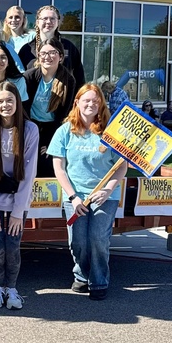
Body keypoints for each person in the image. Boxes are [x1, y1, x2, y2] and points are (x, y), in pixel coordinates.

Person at [49, 84, 128, 301]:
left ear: (101, 103)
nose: (91, 104)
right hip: (75, 196)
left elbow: (122, 165)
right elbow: (59, 168)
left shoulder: (110, 130)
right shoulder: (65, 131)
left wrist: (108, 189)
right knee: (78, 241)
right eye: (87, 100)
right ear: (77, 102)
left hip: (104, 195)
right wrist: (73, 197)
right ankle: (82, 275)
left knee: (98, 238)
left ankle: (99, 280)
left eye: (96, 100)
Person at [0, 82, 39, 310]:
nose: (5, 105)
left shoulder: (30, 129)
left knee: (13, 244)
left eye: (9, 100)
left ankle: (11, 288)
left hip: (17, 198)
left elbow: (29, 173)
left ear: (17, 102)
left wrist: (18, 212)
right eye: (0, 101)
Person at [23, 37, 75, 177]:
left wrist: (50, 141)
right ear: (38, 57)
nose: (48, 57)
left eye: (52, 53)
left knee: (47, 160)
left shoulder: (68, 80)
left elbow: (64, 114)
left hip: (53, 127)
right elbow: (23, 108)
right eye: (43, 53)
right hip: (30, 124)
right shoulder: (29, 77)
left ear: (61, 56)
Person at [19, 5, 85, 87]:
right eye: (45, 18)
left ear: (58, 22)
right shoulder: (26, 50)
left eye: (52, 18)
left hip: (63, 97)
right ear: (37, 22)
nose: (48, 21)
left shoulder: (69, 47)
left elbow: (79, 78)